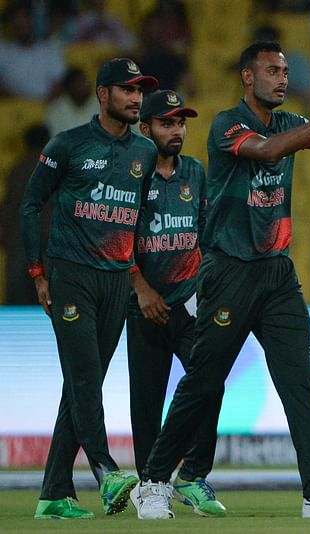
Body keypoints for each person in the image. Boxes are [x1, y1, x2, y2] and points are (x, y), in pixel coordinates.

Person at [135, 41, 310, 520]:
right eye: (272, 70)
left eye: (284, 70)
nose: (282, 78)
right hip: (230, 269)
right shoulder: (227, 125)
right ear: (247, 77)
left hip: (277, 271)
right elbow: (269, 151)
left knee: (299, 379)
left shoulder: (288, 122)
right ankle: (153, 480)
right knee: (204, 380)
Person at [20, 57, 159, 519]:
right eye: (127, 90)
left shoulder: (143, 152)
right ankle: (105, 471)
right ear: (104, 95)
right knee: (83, 378)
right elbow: (30, 204)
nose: (136, 98)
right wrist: (38, 274)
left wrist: (137, 278)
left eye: (140, 91)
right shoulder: (69, 144)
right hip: (70, 275)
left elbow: (137, 221)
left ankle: (54, 494)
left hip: (116, 279)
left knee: (84, 385)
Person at [125, 89, 226, 518]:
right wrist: (141, 288)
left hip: (187, 301)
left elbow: (204, 232)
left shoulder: (196, 172)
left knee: (209, 382)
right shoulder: (130, 175)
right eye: (167, 123)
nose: (177, 131)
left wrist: (204, 286)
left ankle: (193, 474)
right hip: (142, 303)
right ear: (145, 128)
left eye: (181, 123)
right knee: (147, 401)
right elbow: (115, 238)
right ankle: (153, 485)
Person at [0, 124, 50, 305]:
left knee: (17, 303)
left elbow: (7, 207)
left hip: (20, 242)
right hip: (49, 242)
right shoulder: (58, 168)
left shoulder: (16, 169)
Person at [46, 67, 99, 134]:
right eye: (78, 84)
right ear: (69, 88)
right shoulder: (56, 110)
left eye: (84, 83)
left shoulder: (101, 106)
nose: (82, 87)